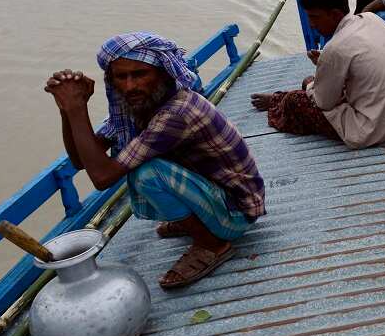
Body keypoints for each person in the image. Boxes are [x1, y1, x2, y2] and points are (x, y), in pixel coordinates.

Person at [44, 33, 266, 289]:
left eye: (140, 74)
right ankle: (200, 220)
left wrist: (76, 109)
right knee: (142, 168)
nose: (129, 86)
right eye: (121, 77)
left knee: (146, 174)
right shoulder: (134, 107)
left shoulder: (176, 113)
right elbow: (81, 160)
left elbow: (102, 177)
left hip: (236, 212)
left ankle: (213, 244)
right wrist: (67, 110)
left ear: (163, 75)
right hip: (214, 193)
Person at [250, 0, 385, 148]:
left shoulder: (335, 48)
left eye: (315, 17)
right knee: (312, 84)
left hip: (373, 129)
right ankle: (279, 97)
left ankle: (278, 100)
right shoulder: (373, 19)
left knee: (296, 100)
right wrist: (324, 64)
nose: (312, 24)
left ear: (335, 15)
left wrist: (312, 83)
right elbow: (360, 56)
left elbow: (324, 103)